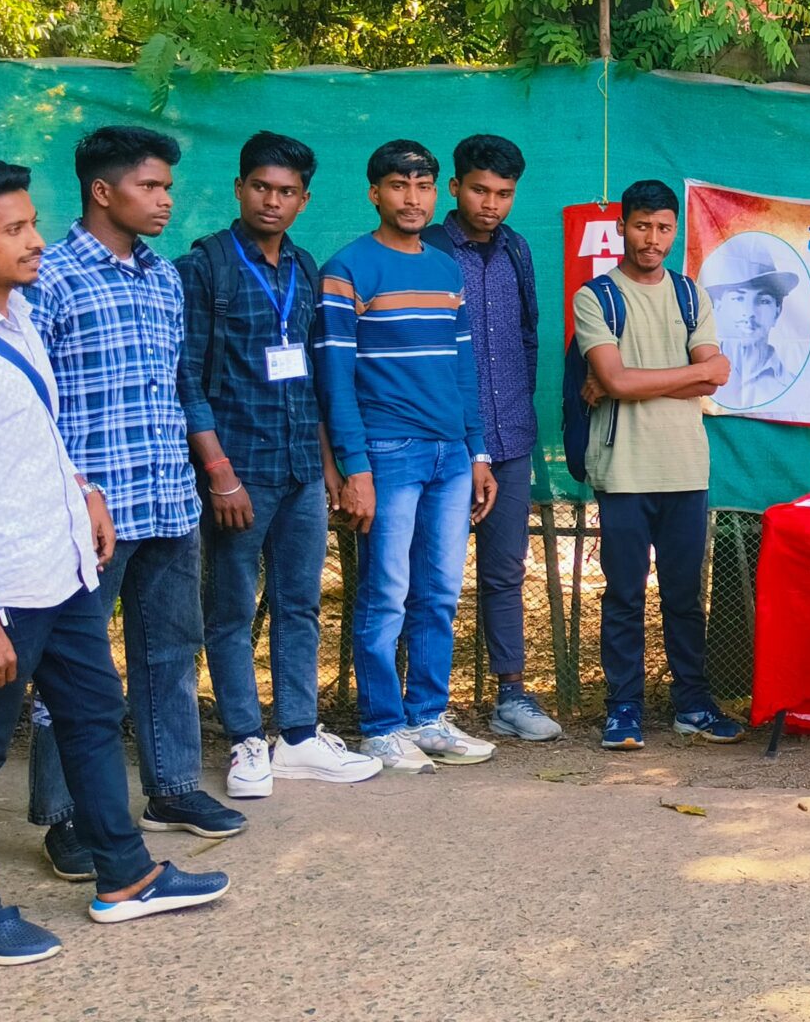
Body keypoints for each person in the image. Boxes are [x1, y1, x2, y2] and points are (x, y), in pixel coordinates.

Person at [0, 156, 229, 965]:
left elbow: (30, 437)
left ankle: (126, 875)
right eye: (14, 228)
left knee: (91, 716)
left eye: (33, 222)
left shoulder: (15, 318)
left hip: (64, 569)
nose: (36, 240)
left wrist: (84, 489)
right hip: (2, 590)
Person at [26, 126, 247, 884]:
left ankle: (172, 787)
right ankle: (66, 818)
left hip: (167, 497)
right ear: (102, 190)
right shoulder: (49, 277)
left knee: (171, 651)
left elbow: (179, 384)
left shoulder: (162, 277)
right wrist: (69, 492)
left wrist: (205, 469)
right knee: (72, 668)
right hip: (90, 510)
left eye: (167, 188)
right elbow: (32, 402)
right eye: (150, 186)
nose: (165, 200)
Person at [182, 133, 379, 799]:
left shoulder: (303, 265)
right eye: (261, 187)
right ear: (239, 188)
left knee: (300, 604)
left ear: (304, 200)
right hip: (239, 473)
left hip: (299, 470)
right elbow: (187, 379)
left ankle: (297, 737)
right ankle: (245, 739)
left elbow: (311, 379)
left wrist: (328, 466)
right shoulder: (204, 266)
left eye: (286, 191)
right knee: (231, 610)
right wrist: (219, 473)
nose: (272, 200)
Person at [319, 139, 500, 772]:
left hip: (451, 455)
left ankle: (428, 719)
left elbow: (464, 369)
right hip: (388, 453)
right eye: (399, 186)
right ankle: (381, 726)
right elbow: (334, 380)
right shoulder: (347, 269)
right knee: (386, 593)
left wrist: (478, 451)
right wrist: (355, 468)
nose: (412, 198)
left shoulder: (446, 270)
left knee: (440, 593)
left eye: (423, 186)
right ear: (375, 193)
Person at [572, 179, 742, 750]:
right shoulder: (597, 297)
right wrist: (682, 377)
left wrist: (628, 383)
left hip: (685, 468)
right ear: (622, 226)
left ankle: (692, 704)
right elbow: (623, 378)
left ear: (676, 231)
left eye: (664, 227)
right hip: (623, 470)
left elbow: (715, 376)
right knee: (623, 596)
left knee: (683, 597)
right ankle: (623, 708)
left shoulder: (691, 296)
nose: (652, 238)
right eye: (642, 225)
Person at [422, 134, 559, 743]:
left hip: (510, 439)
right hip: (444, 443)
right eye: (479, 190)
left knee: (504, 572)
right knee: (432, 576)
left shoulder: (516, 250)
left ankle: (511, 696)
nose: (491, 204)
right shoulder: (426, 248)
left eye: (504, 193)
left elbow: (528, 335)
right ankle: (425, 704)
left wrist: (516, 411)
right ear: (455, 188)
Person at [706, 254, 800, 408]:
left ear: (777, 311)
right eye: (738, 299)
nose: (749, 312)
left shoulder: (793, 388)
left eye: (763, 301)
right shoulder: (700, 372)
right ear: (718, 306)